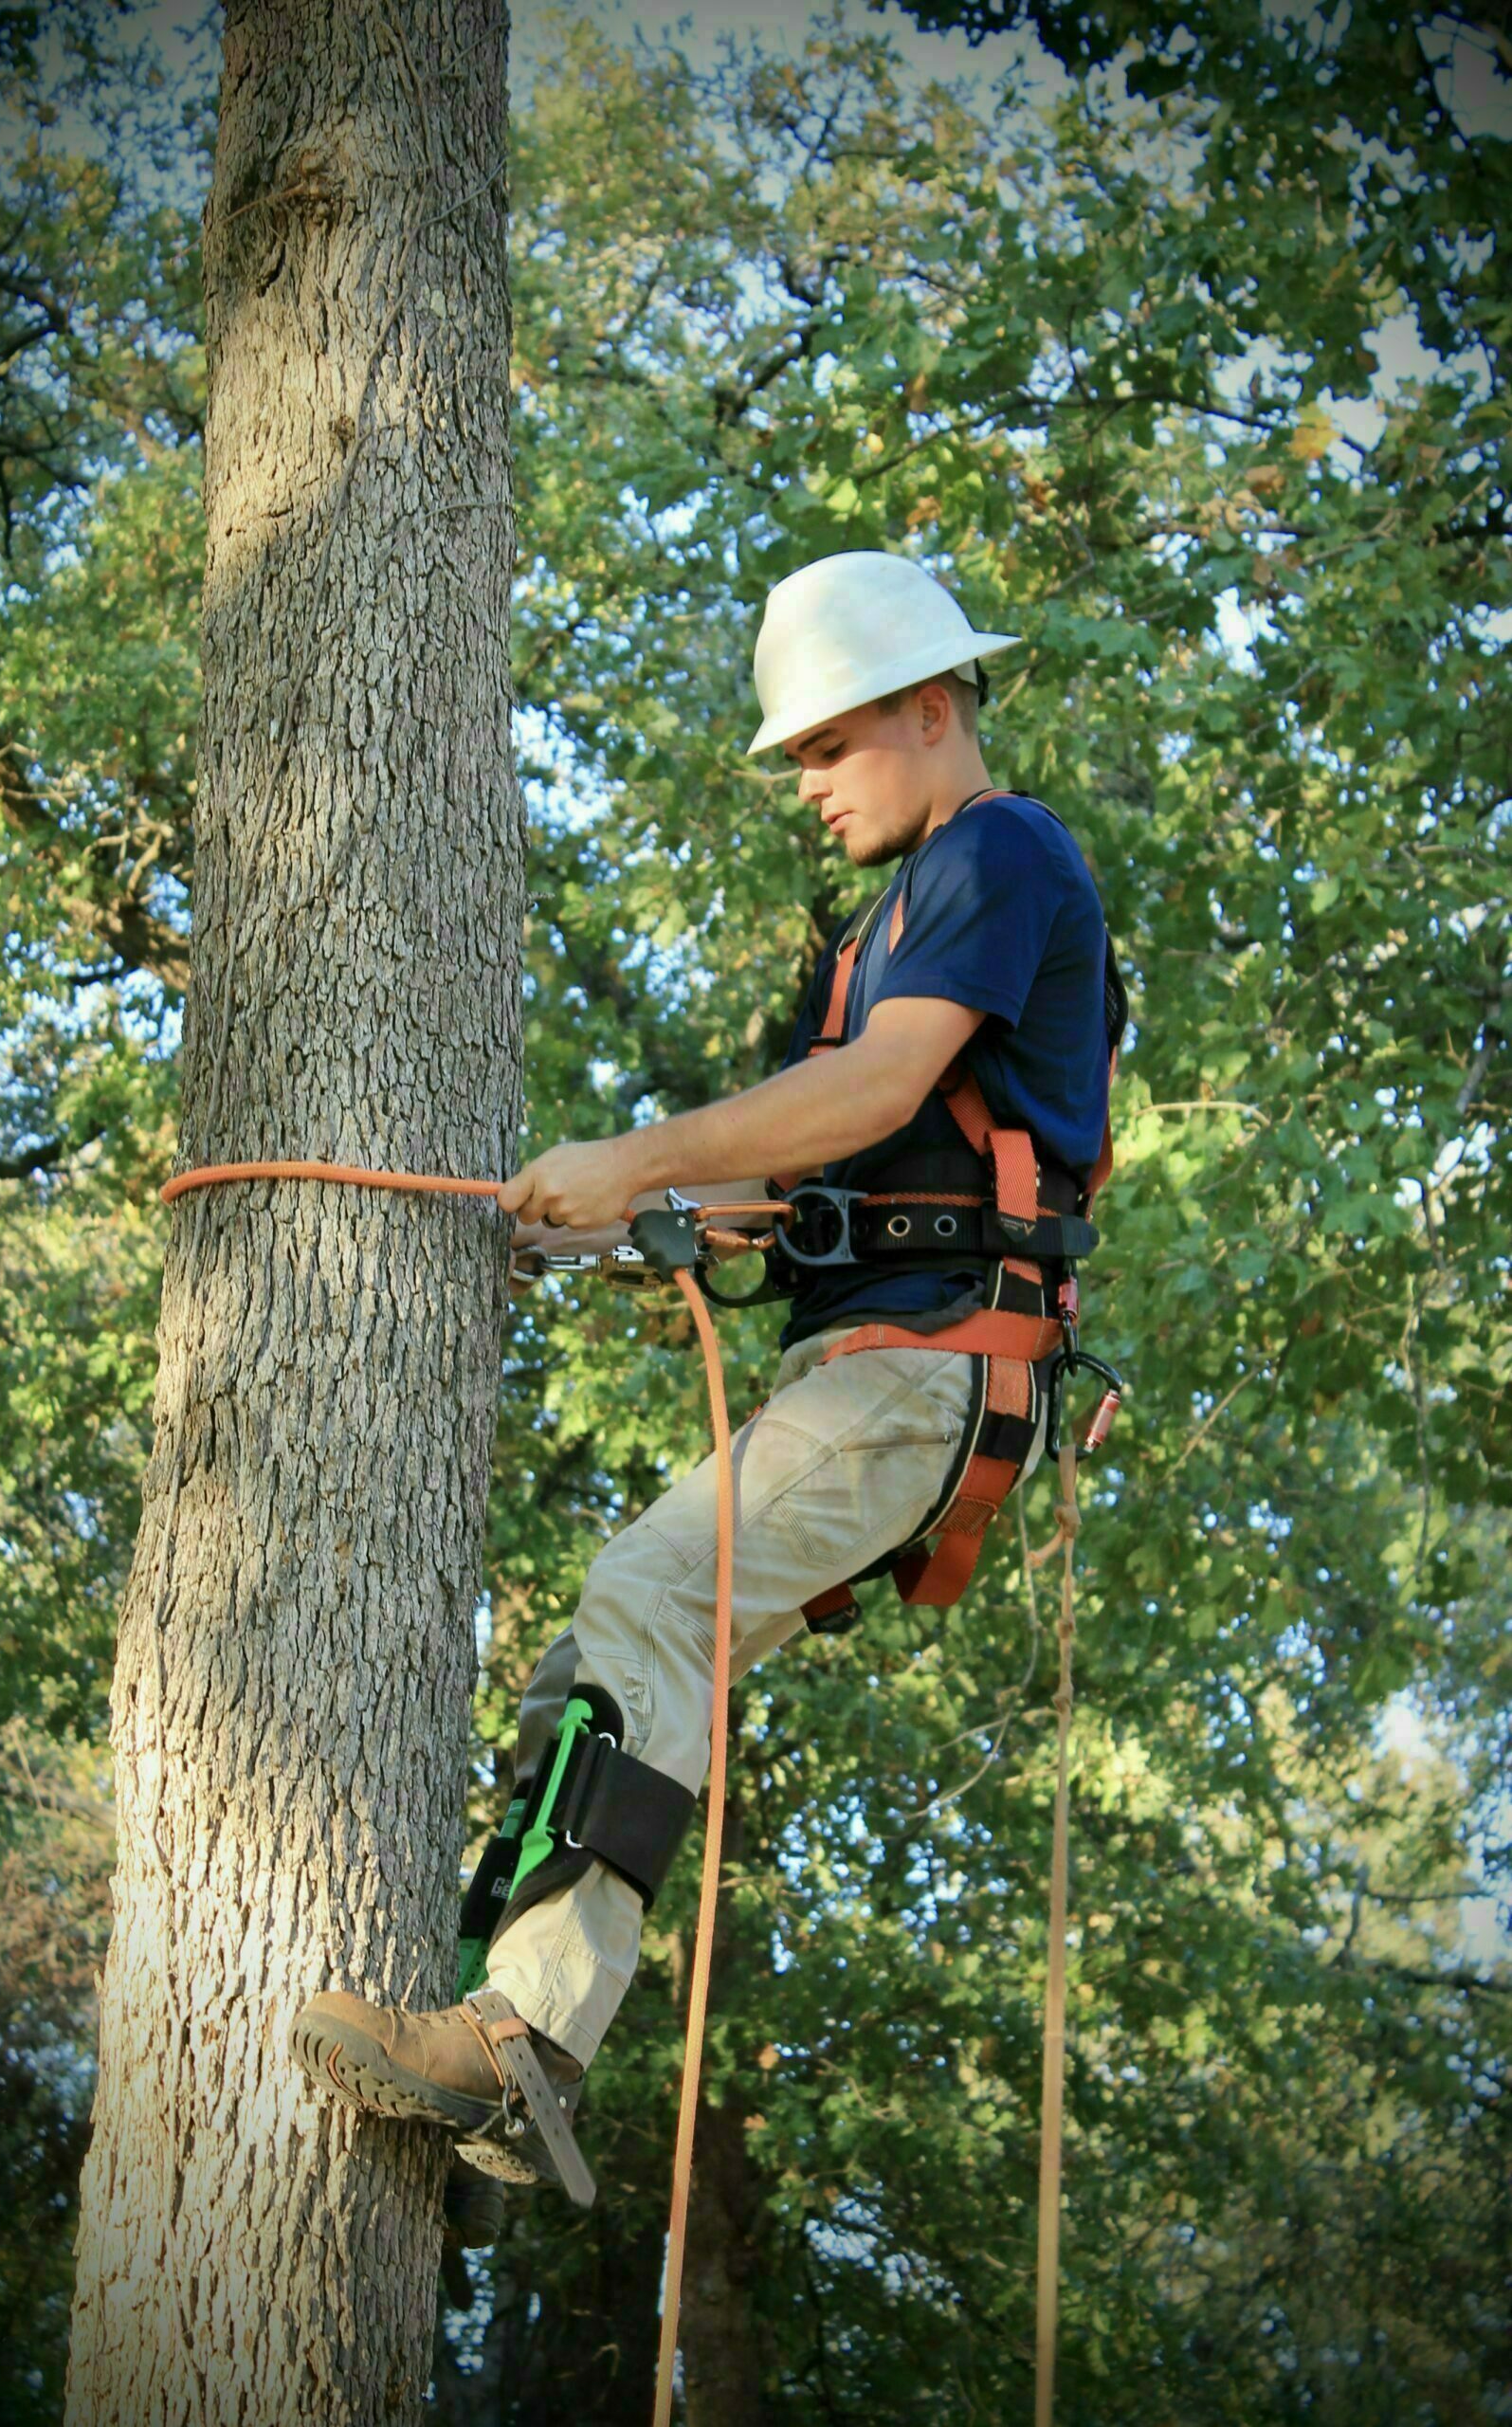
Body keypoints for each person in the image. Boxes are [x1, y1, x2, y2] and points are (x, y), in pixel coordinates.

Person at [291, 551, 1117, 2201]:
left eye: (827, 744)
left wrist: (634, 1154)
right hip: (870, 1364)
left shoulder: (999, 852)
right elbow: (801, 1170)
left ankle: (526, 2039)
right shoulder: (883, 930)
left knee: (654, 1588)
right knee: (593, 1667)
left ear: (931, 707)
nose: (807, 782)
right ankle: (484, 2027)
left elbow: (870, 1095)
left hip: (930, 1365)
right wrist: (596, 1221)